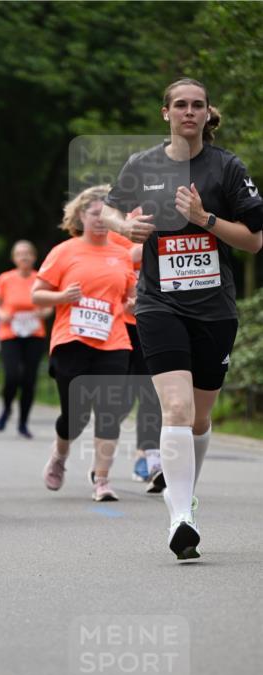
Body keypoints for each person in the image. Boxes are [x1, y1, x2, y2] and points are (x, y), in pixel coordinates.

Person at [101, 77, 263, 558]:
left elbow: (254, 240)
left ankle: (185, 491)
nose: (188, 112)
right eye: (180, 105)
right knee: (176, 409)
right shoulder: (142, 164)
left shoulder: (227, 167)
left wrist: (204, 218)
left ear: (207, 112)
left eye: (197, 105)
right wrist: (124, 225)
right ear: (165, 113)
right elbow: (108, 210)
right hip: (158, 302)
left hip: (214, 309)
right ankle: (180, 517)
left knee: (200, 417)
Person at [32, 185, 136, 501]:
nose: (102, 220)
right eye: (95, 214)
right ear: (80, 216)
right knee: (75, 417)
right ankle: (60, 456)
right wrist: (62, 297)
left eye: (108, 214)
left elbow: (128, 296)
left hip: (114, 341)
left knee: (110, 411)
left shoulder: (122, 254)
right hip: (72, 339)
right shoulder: (65, 251)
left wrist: (132, 305)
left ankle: (102, 480)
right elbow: (37, 294)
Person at [108, 222, 164, 490]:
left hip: (154, 321)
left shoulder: (168, 222)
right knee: (123, 399)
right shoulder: (114, 231)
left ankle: (148, 456)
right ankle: (103, 452)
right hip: (120, 326)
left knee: (152, 393)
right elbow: (114, 265)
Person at [0, 240, 50, 438]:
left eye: (28, 253)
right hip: (10, 333)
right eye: (20, 254)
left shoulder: (40, 279)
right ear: (14, 258)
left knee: (29, 379)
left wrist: (44, 312)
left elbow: (50, 305)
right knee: (12, 376)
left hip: (34, 332)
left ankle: (23, 422)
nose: (24, 257)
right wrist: (1, 315)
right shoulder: (5, 279)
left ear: (34, 257)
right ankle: (7, 408)